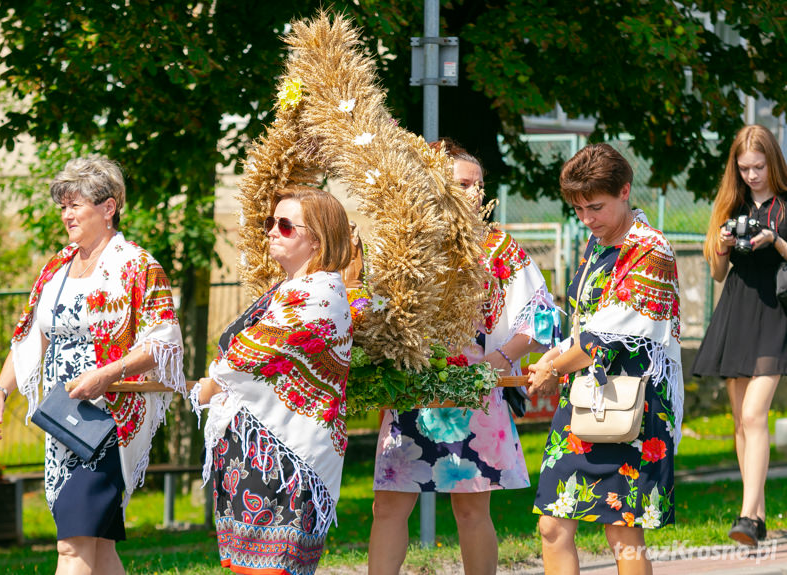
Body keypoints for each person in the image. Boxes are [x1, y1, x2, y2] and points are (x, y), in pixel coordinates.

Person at [0, 156, 185, 575]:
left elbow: (164, 342)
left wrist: (105, 374)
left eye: (75, 204)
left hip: (110, 421)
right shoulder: (57, 267)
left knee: (72, 547)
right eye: (63, 206)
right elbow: (31, 337)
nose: (66, 214)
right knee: (100, 549)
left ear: (108, 208)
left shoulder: (137, 265)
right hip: (63, 419)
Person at [368, 140, 557, 575]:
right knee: (387, 507)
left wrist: (500, 358)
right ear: (434, 185)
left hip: (474, 388)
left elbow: (542, 317)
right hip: (412, 386)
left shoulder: (497, 246)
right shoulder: (406, 243)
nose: (475, 194)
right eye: (464, 184)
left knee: (471, 511)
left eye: (480, 185)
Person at [528, 143, 682, 574]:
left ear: (625, 192)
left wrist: (553, 366)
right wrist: (553, 358)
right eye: (577, 210)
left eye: (595, 207)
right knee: (552, 526)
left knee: (623, 532)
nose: (586, 219)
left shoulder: (652, 251)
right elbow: (582, 327)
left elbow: (605, 337)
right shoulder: (596, 248)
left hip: (632, 406)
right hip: (585, 397)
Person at [191, 185, 353, 575]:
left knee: (272, 570)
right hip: (253, 450)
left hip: (287, 457)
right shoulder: (286, 289)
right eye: (270, 222)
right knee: (246, 568)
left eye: (284, 225)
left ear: (317, 238)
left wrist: (209, 385)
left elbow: (249, 354)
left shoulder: (322, 293)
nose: (271, 232)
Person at [691, 124, 787, 546]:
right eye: (744, 168)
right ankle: (758, 516)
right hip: (737, 308)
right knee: (740, 422)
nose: (751, 175)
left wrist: (776, 240)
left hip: (776, 312)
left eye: (759, 167)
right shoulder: (732, 204)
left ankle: (747, 514)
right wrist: (724, 246)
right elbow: (716, 272)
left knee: (754, 415)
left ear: (773, 162)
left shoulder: (784, 205)